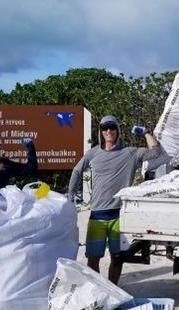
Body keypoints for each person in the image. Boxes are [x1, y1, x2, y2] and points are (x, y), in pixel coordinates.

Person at [68, 115, 161, 284]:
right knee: (93, 259)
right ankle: (97, 290)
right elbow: (76, 171)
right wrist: (70, 195)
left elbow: (156, 152)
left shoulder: (130, 153)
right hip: (97, 216)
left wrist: (146, 133)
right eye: (105, 128)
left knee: (117, 258)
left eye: (112, 127)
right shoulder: (93, 153)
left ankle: (113, 289)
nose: (108, 131)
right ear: (100, 132)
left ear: (117, 130)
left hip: (119, 216)